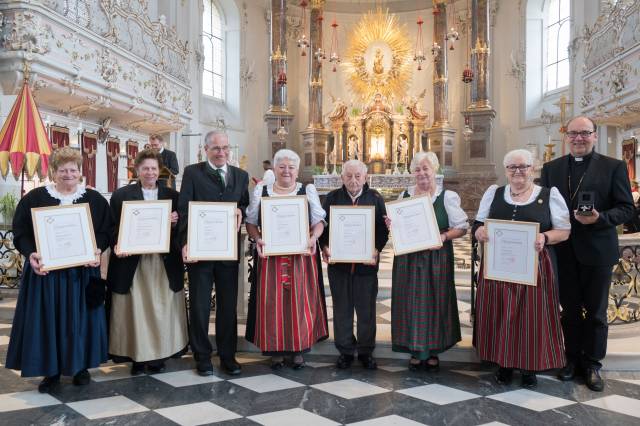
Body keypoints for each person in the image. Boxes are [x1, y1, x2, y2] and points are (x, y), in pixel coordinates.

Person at [6, 147, 113, 392]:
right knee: (48, 321)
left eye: (72, 170)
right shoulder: (34, 198)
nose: (68, 174)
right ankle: (50, 371)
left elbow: (107, 231)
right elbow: (20, 232)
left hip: (83, 273)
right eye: (62, 170)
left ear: (80, 172)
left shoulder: (95, 200)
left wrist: (97, 249)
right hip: (47, 274)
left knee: (81, 320)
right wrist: (31, 253)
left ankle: (81, 367)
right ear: (53, 172)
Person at [541, 116, 634, 391]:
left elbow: (627, 208)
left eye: (584, 133)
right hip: (563, 252)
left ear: (594, 135)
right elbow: (543, 207)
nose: (578, 138)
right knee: (568, 310)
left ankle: (592, 364)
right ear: (566, 137)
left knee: (596, 313)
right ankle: (570, 360)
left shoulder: (614, 167)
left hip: (597, 251)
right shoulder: (551, 169)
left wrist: (600, 218)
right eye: (573, 134)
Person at [474, 149, 570, 388]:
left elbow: (564, 231)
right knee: (501, 314)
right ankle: (504, 363)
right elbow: (478, 224)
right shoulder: (493, 194)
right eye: (512, 167)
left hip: (535, 268)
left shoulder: (548, 195)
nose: (518, 171)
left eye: (523, 166)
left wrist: (545, 238)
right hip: (498, 268)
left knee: (531, 317)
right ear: (506, 171)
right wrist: (480, 232)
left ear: (533, 168)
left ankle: (529, 367)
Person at [245, 149, 329, 369]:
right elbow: (251, 222)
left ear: (297, 170)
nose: (286, 171)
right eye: (281, 166)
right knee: (271, 302)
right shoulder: (262, 191)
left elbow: (319, 221)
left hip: (301, 258)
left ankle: (298, 348)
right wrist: (258, 239)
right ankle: (275, 349)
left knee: (300, 303)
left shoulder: (306, 190)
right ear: (274, 168)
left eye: (291, 167)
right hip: (270, 257)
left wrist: (314, 237)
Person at [107, 149, 188, 375]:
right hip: (134, 263)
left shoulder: (173, 196)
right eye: (145, 168)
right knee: (137, 310)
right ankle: (138, 357)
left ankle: (158, 356)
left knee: (160, 309)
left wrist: (173, 223)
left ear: (159, 170)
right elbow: (113, 228)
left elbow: (182, 230)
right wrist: (118, 245)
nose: (150, 172)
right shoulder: (121, 195)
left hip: (163, 263)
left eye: (153, 168)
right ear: (137, 170)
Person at [387, 151, 468, 370]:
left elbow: (461, 228)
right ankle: (414, 348)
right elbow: (398, 226)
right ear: (413, 173)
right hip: (409, 258)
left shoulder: (447, 197)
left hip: (436, 256)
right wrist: (391, 224)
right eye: (418, 169)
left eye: (426, 168)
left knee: (436, 299)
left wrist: (442, 236)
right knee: (410, 301)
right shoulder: (404, 195)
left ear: (435, 170)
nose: (422, 173)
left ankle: (433, 350)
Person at [178, 130, 249, 376]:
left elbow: (244, 204)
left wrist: (240, 209)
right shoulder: (192, 172)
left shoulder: (241, 175)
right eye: (216, 148)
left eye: (225, 148)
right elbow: (184, 209)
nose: (222, 153)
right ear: (206, 149)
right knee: (199, 304)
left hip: (228, 252)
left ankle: (228, 355)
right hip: (200, 250)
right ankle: (202, 355)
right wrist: (185, 243)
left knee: (228, 306)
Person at [320, 160, 389, 369]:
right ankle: (346, 351)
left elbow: (383, 230)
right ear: (341, 178)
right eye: (348, 176)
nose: (353, 180)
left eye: (357, 176)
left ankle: (366, 351)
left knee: (366, 310)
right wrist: (324, 246)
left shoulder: (375, 198)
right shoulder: (332, 198)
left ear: (365, 177)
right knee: (341, 309)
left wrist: (377, 249)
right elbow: (322, 228)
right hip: (339, 267)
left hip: (365, 268)